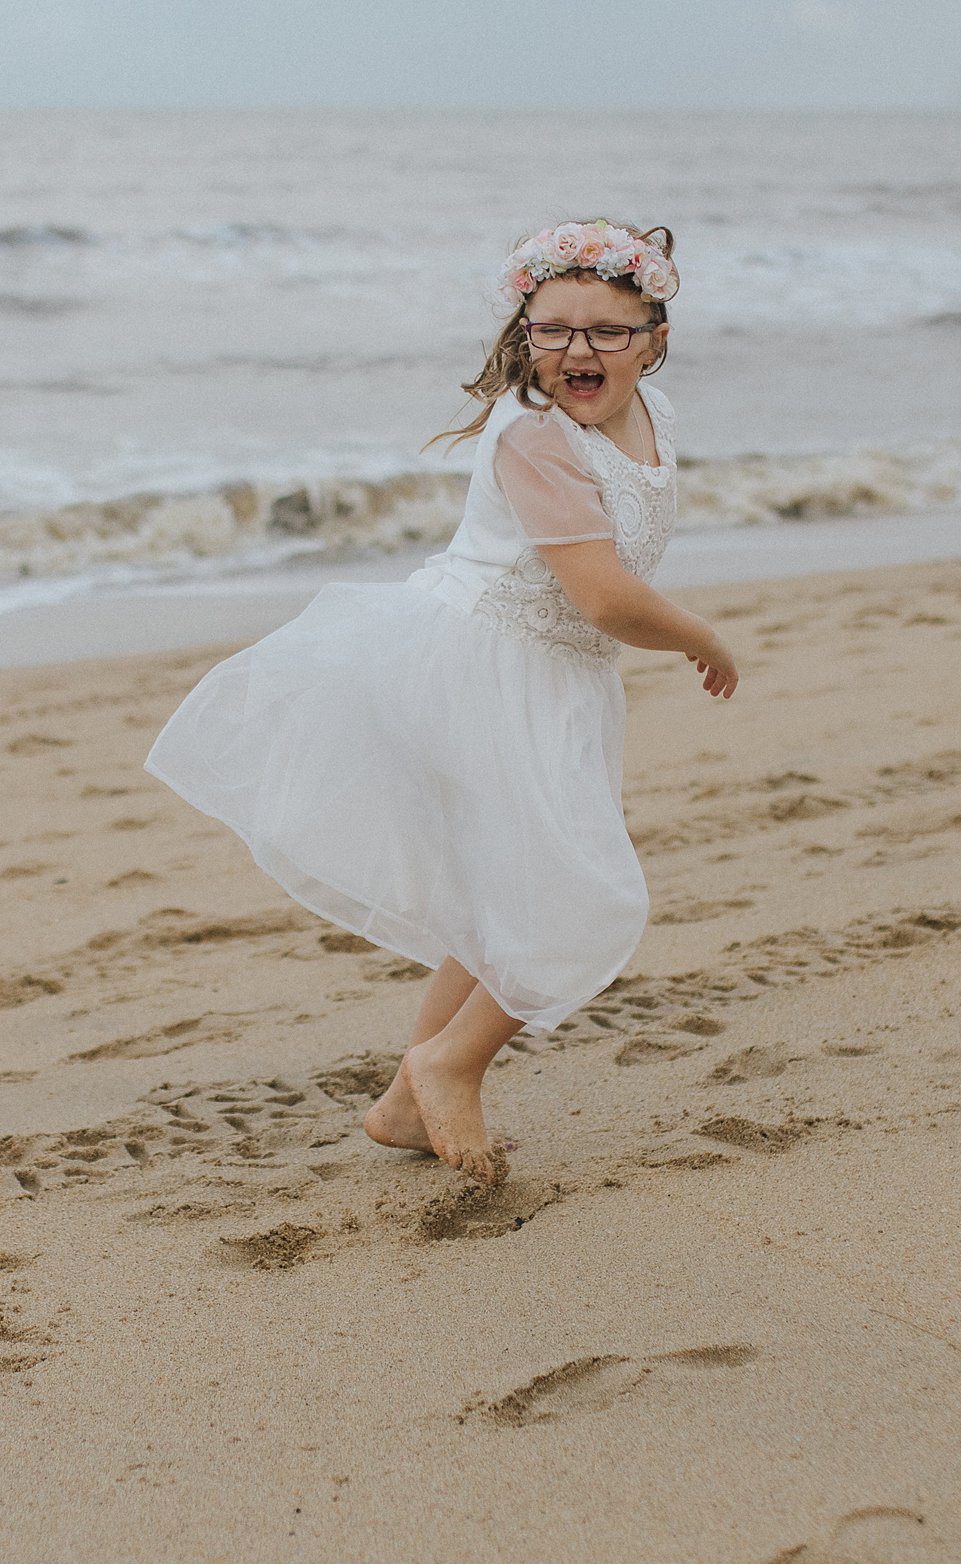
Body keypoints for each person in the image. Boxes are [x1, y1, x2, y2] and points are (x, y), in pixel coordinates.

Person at [147, 219, 739, 1181]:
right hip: (473, 670)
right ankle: (449, 1061)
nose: (577, 351)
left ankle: (400, 1108)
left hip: (551, 673)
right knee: (575, 892)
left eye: (605, 330)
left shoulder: (652, 415)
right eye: (552, 331)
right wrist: (702, 637)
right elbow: (604, 595)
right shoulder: (535, 441)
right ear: (523, 336)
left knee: (497, 886)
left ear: (654, 340)